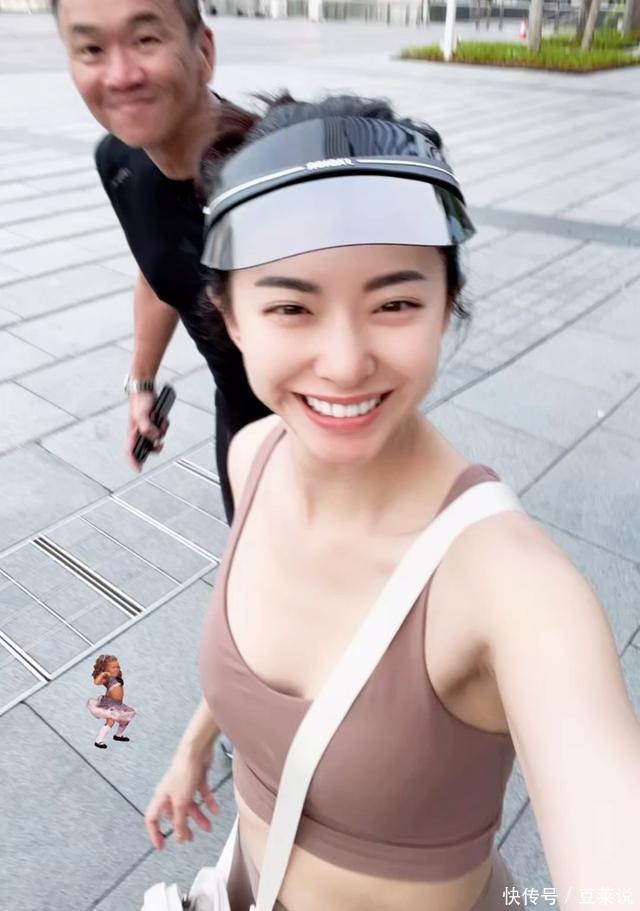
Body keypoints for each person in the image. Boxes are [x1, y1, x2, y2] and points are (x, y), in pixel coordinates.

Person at [143, 94, 640, 911]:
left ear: (447, 304)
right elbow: (266, 647)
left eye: (395, 303)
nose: (344, 362)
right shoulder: (253, 454)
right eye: (292, 306)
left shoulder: (514, 590)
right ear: (230, 316)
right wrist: (197, 743)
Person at [51, 0, 270, 522]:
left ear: (203, 50)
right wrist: (141, 384)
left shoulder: (279, 173)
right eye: (91, 50)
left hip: (336, 439)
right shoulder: (120, 162)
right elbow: (160, 270)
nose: (120, 75)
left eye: (145, 39)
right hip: (241, 434)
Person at [87, 654, 137, 748]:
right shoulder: (107, 678)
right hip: (110, 704)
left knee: (125, 720)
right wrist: (103, 674)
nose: (116, 669)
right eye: (113, 667)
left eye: (118, 667)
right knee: (110, 721)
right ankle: (99, 740)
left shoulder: (117, 678)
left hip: (118, 704)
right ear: (106, 669)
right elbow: (96, 682)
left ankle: (118, 735)